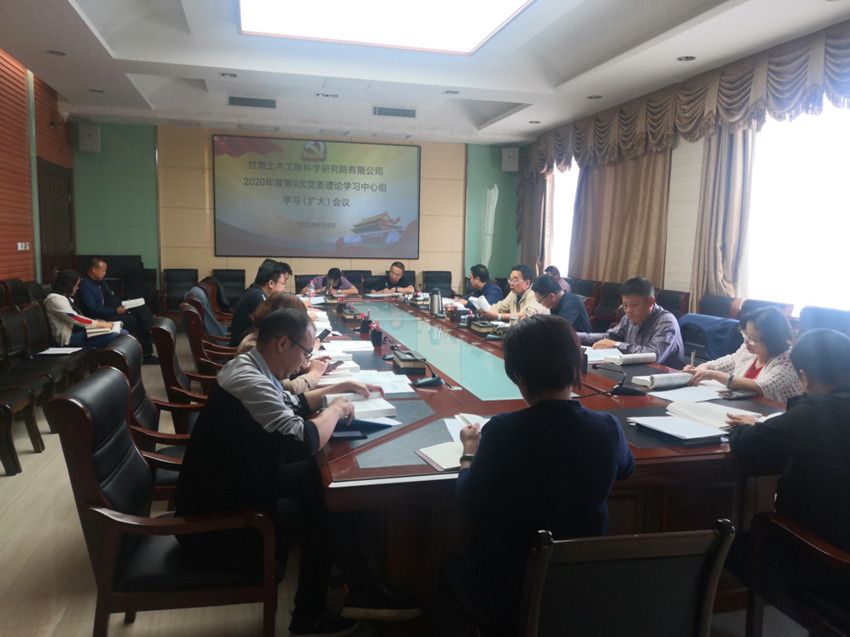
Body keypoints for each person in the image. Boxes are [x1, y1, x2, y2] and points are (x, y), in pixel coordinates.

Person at [175, 308, 419, 635]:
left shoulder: (251, 366)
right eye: (305, 352)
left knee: (323, 488)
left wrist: (340, 388)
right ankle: (321, 610)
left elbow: (294, 404)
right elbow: (302, 442)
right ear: (282, 344)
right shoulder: (249, 381)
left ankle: (358, 589)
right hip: (217, 526)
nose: (306, 362)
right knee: (325, 508)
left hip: (235, 485)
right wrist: (335, 410)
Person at [435, 315, 635, 636]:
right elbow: (626, 469)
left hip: (511, 591)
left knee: (449, 569)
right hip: (582, 583)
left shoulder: (503, 431)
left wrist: (469, 452)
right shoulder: (607, 428)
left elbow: (469, 501)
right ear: (576, 366)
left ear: (518, 376)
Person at [723, 328, 850, 594]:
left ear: (804, 376)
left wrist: (748, 427)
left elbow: (747, 443)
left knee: (723, 543)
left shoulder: (817, 412)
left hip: (825, 560)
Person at [685, 306, 801, 402]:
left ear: (773, 341)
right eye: (745, 335)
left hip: (775, 414)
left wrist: (712, 374)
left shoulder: (789, 359)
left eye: (753, 339)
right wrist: (700, 370)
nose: (746, 342)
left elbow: (760, 387)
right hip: (744, 407)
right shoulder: (748, 350)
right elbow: (720, 364)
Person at [576, 277, 685, 368]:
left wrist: (616, 345)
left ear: (650, 302)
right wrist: (574, 336)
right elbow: (609, 337)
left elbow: (653, 355)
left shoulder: (666, 321)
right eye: (625, 305)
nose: (628, 310)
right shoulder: (628, 318)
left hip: (664, 378)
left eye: (633, 305)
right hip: (635, 371)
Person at [235, 291, 331, 394]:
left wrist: (304, 363)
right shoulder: (258, 347)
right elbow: (287, 389)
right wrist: (314, 374)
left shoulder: (262, 338)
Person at [76, 257, 158, 364]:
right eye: (103, 271)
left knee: (142, 307)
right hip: (102, 317)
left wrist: (125, 303)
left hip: (113, 309)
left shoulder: (100, 281)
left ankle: (150, 332)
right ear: (94, 269)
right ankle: (149, 345)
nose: (105, 273)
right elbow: (93, 309)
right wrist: (115, 311)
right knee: (136, 321)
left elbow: (111, 298)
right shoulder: (86, 286)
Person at [44, 269, 128, 348]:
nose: (77, 288)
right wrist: (102, 325)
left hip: (81, 331)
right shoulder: (54, 300)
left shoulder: (65, 297)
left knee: (122, 333)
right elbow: (75, 318)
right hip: (69, 338)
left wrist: (98, 323)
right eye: (76, 285)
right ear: (68, 284)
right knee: (119, 336)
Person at [229, 259, 292, 346]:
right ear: (271, 283)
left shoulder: (255, 290)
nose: (283, 288)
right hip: (245, 348)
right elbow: (273, 325)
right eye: (283, 284)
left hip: (250, 342)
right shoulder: (257, 297)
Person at [479, 264, 547, 321]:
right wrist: (485, 308)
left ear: (527, 283)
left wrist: (499, 316)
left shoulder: (536, 294)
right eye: (510, 280)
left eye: (515, 280)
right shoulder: (514, 293)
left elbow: (523, 316)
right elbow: (500, 307)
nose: (511, 284)